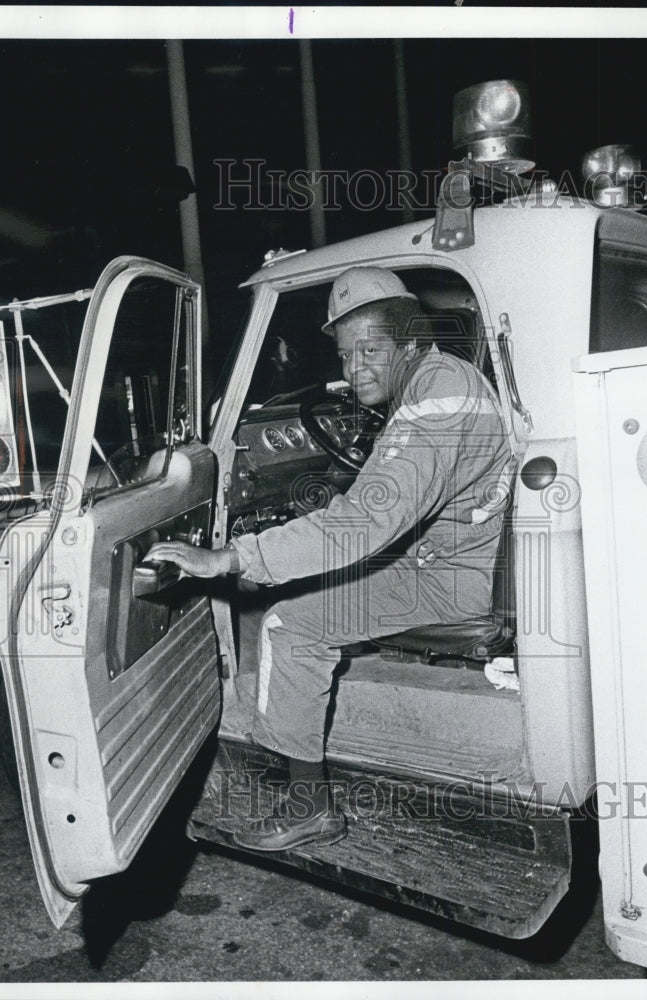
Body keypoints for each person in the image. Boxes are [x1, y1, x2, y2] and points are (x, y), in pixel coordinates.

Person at [146, 267, 512, 852]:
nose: (354, 368)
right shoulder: (435, 381)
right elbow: (375, 495)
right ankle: (283, 735)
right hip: (440, 555)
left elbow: (366, 520)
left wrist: (233, 555)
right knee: (286, 581)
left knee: (288, 620)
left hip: (449, 578)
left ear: (411, 342)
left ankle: (307, 805)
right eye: (345, 355)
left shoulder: (439, 396)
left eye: (371, 350)